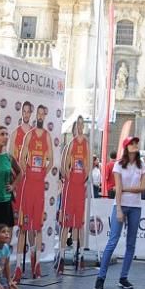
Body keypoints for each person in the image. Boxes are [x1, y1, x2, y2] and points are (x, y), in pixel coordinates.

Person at [94, 136, 145, 289]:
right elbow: (118, 187)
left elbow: (143, 188)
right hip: (121, 205)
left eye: (136, 143)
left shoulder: (142, 165)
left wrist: (125, 189)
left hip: (135, 206)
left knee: (131, 244)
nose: (135, 145)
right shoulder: (118, 165)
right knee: (113, 241)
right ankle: (100, 278)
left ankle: (123, 277)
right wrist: (118, 208)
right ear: (126, 146)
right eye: (132, 143)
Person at [16, 104, 52, 279]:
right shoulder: (29, 135)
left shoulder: (47, 136)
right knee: (23, 227)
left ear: (44, 116)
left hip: (39, 187)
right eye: (37, 114)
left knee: (37, 228)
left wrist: (43, 172)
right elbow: (21, 157)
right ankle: (17, 267)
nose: (39, 116)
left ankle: (36, 264)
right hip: (28, 186)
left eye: (41, 114)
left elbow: (51, 160)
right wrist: (27, 172)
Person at [58, 116, 90, 273]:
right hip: (70, 189)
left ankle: (80, 255)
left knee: (80, 224)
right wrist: (70, 181)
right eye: (78, 125)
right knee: (66, 223)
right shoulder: (69, 145)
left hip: (79, 189)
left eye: (82, 125)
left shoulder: (86, 144)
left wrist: (83, 180)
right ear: (73, 128)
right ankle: (62, 256)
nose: (80, 128)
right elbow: (63, 168)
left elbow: (88, 166)